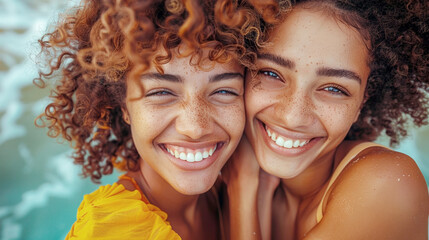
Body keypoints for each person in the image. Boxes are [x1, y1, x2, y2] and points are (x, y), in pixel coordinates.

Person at [34, 0, 281, 239]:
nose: (195, 128)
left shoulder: (222, 190)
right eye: (161, 92)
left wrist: (243, 188)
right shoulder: (113, 230)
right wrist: (244, 191)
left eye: (223, 91)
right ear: (124, 106)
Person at [224, 0, 429, 239]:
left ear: (362, 102)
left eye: (334, 89)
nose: (293, 117)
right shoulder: (207, 181)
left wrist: (243, 191)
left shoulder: (385, 183)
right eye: (271, 74)